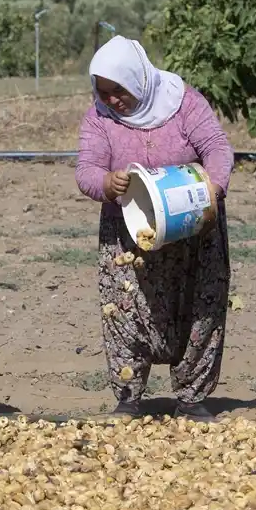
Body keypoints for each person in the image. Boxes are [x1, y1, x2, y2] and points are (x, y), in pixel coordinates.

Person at [75, 36, 234, 422]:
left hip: (192, 225)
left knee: (200, 306)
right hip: (132, 233)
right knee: (126, 311)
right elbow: (86, 170)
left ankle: (192, 397)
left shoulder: (184, 103)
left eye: (119, 90)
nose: (112, 99)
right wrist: (106, 183)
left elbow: (217, 148)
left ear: (140, 80)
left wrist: (210, 191)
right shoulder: (99, 119)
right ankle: (129, 396)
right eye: (103, 91)